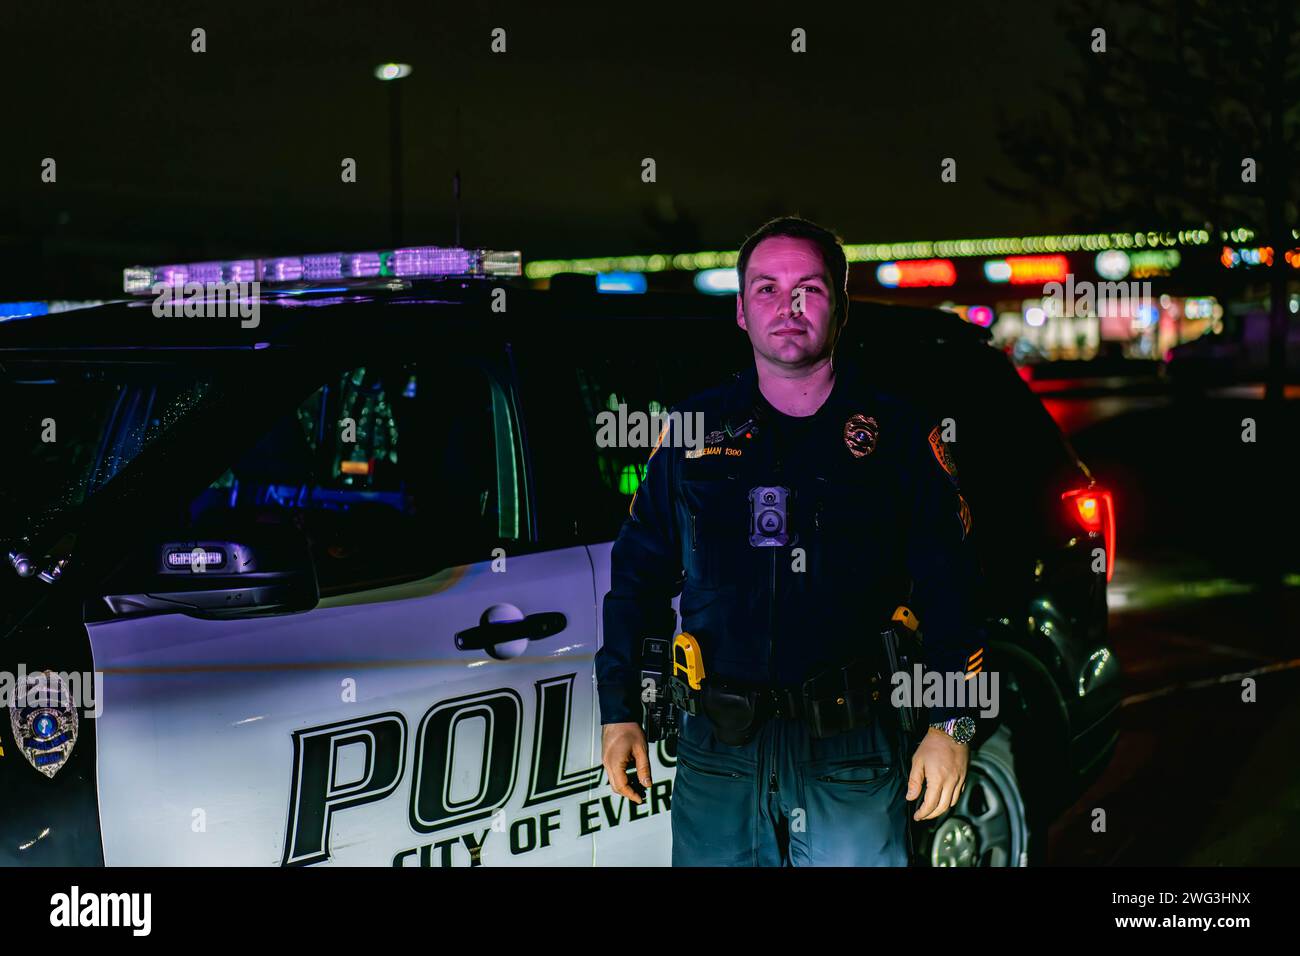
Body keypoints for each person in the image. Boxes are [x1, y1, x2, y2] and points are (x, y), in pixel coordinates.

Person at [596, 216, 984, 866]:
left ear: (841, 306)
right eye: (768, 289)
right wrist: (621, 710)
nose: (790, 306)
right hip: (719, 751)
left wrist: (954, 725)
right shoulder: (692, 432)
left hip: (852, 748)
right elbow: (638, 579)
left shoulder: (895, 436)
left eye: (810, 287)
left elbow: (954, 589)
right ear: (743, 312)